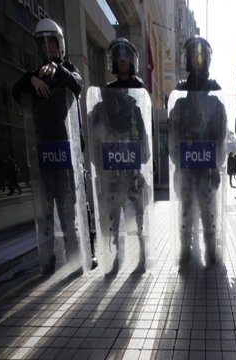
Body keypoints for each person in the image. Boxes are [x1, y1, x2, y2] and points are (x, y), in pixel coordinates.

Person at [12, 18, 84, 273]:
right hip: (43, 154)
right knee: (45, 215)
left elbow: (77, 84)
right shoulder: (36, 76)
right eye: (42, 43)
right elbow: (15, 90)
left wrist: (58, 70)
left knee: (67, 213)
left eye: (51, 42)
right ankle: (48, 262)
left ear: (59, 44)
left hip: (64, 155)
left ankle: (75, 260)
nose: (47, 47)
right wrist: (32, 79)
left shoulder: (66, 71)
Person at [89, 38, 150, 274]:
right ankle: (116, 257)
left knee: (139, 218)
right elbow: (95, 144)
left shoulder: (136, 104)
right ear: (114, 62)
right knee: (114, 218)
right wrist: (103, 167)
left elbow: (144, 142)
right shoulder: (102, 103)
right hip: (112, 173)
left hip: (132, 172)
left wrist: (141, 156)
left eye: (127, 57)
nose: (123, 60)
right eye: (119, 57)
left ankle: (142, 254)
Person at [169, 36, 227, 266]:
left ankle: (211, 249)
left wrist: (217, 160)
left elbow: (221, 131)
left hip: (207, 164)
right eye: (194, 54)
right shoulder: (181, 93)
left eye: (202, 55)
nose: (198, 59)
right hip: (186, 164)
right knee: (186, 208)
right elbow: (173, 129)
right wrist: (177, 156)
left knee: (208, 208)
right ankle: (185, 249)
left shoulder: (215, 91)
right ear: (188, 59)